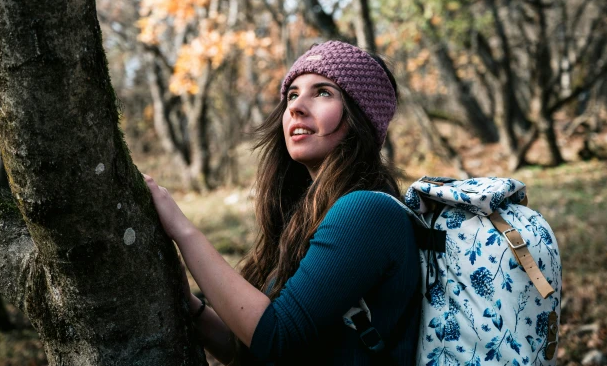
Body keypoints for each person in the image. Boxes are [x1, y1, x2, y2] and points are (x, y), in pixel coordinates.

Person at [144, 40, 420, 365]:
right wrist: (190, 305)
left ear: (362, 116)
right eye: (292, 94)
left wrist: (183, 231)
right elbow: (249, 347)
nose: (296, 106)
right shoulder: (306, 214)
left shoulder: (366, 212)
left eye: (323, 92)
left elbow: (277, 338)